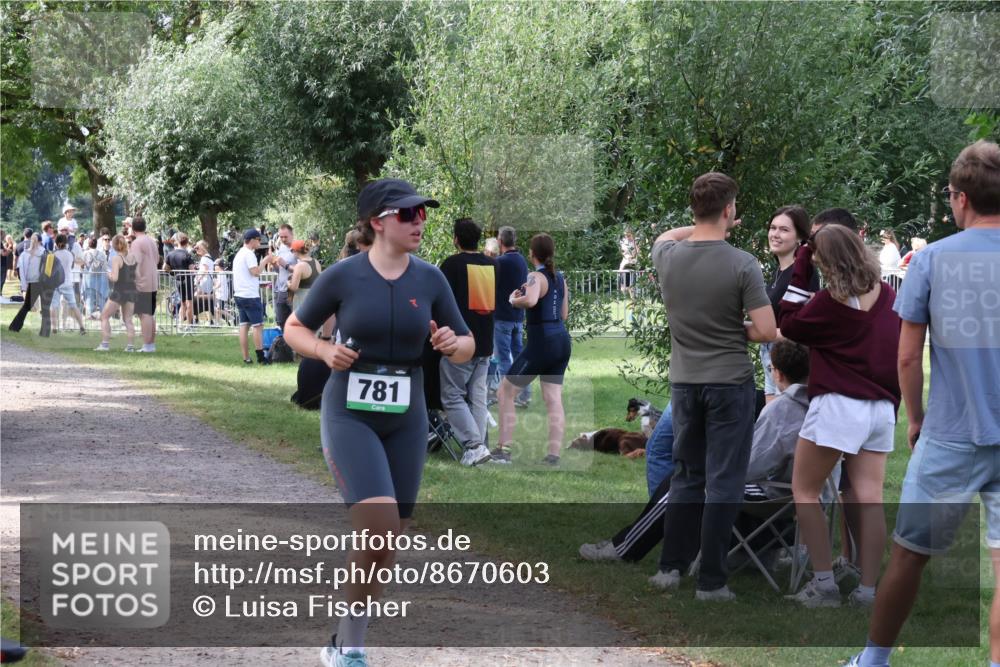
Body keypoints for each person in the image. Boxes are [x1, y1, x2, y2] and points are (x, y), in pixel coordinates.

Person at [282, 178, 473, 667]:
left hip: (407, 417)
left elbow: (469, 343)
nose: (420, 221)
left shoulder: (430, 278)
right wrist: (324, 349)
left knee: (390, 535)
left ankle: (344, 640)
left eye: (423, 213)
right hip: (350, 412)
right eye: (408, 213)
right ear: (378, 221)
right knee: (378, 525)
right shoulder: (345, 276)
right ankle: (351, 650)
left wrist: (453, 344)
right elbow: (294, 328)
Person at [845, 140, 1000, 667]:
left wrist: (915, 419)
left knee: (910, 555)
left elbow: (908, 357)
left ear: (959, 198)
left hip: (951, 432)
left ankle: (873, 660)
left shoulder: (932, 259)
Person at [649, 171, 775, 601]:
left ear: (694, 209)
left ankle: (670, 566)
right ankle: (712, 581)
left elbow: (668, 234)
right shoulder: (743, 264)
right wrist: (733, 327)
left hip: (684, 382)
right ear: (729, 210)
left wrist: (704, 223)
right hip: (729, 382)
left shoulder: (667, 255)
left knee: (686, 474)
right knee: (724, 481)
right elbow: (766, 329)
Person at [580, 340, 809, 563]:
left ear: (776, 373)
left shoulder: (782, 410)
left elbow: (749, 467)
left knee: (682, 481)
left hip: (775, 496)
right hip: (795, 494)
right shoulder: (815, 403)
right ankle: (633, 541)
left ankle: (624, 548)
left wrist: (717, 460)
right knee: (689, 477)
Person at [779, 223, 901, 608]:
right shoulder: (889, 296)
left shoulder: (829, 304)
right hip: (880, 409)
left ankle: (824, 584)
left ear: (823, 260)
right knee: (870, 498)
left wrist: (799, 266)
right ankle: (867, 591)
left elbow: (788, 321)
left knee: (805, 491)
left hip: (838, 405)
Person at [495, 233, 572, 465]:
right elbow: (564, 314)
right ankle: (553, 455)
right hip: (561, 341)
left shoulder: (534, 276)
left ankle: (503, 450)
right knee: (553, 398)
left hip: (542, 342)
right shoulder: (560, 278)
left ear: (531, 253)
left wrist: (512, 300)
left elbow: (529, 301)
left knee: (505, 392)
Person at [438, 218, 497, 466]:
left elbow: (438, 299)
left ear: (456, 239)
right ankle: (480, 445)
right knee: (478, 396)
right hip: (485, 341)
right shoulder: (492, 265)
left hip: (460, 342)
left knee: (451, 394)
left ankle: (474, 445)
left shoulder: (451, 265)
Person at [761, 205, 818, 403]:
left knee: (786, 428)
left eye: (784, 230)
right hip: (770, 358)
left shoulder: (804, 273)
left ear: (800, 237)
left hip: (791, 365)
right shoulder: (778, 271)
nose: (775, 234)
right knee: (771, 425)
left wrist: (751, 331)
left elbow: (803, 329)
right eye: (773, 228)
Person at [491, 225, 531, 408]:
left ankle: (508, 396)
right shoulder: (522, 261)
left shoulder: (500, 262)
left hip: (502, 317)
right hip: (517, 316)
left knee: (503, 359)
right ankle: (525, 395)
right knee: (519, 356)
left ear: (500, 241)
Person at [233, 229, 270, 364]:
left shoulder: (239, 254)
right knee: (258, 326)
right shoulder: (249, 254)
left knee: (244, 325)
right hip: (249, 296)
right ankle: (261, 358)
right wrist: (265, 261)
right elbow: (255, 272)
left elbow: (246, 275)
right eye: (259, 240)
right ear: (253, 240)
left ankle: (246, 358)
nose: (260, 242)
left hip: (240, 294)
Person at [94, 235, 137, 352]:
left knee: (104, 316)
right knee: (128, 319)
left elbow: (115, 278)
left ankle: (105, 344)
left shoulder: (117, 258)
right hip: (131, 289)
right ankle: (130, 347)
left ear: (114, 245)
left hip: (119, 291)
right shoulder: (133, 257)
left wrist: (108, 274)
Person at [128, 216, 159, 353]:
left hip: (143, 282)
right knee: (150, 314)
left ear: (133, 228)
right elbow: (157, 259)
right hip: (153, 280)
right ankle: (151, 344)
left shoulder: (136, 243)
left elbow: (136, 263)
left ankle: (147, 345)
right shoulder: (152, 241)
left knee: (144, 314)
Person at [7, 233, 49, 334]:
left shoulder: (25, 254)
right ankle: (44, 331)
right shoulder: (44, 252)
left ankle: (15, 327)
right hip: (42, 282)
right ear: (40, 241)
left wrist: (24, 284)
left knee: (26, 306)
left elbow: (22, 270)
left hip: (33, 282)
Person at [48, 234, 86, 335]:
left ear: (57, 243)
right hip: (68, 282)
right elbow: (72, 265)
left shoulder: (52, 254)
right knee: (74, 305)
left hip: (55, 283)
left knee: (54, 305)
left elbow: (47, 271)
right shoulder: (70, 254)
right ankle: (82, 326)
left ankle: (54, 327)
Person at [163, 232, 195, 328]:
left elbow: (165, 267)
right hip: (188, 279)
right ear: (186, 243)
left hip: (178, 280)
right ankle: (189, 325)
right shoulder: (187, 254)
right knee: (189, 303)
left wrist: (172, 272)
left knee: (182, 302)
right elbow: (192, 269)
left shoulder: (170, 254)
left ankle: (180, 323)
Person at [269, 223, 296, 330]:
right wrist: (274, 264)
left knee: (295, 321)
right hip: (281, 290)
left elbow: (303, 269)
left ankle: (297, 345)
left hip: (294, 291)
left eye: (285, 237)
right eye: (281, 237)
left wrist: (285, 265)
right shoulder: (281, 248)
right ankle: (286, 344)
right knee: (280, 320)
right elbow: (279, 271)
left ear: (292, 235)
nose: (283, 239)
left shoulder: (299, 248)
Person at [287, 239, 321, 312]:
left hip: (302, 301)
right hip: (316, 299)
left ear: (295, 251)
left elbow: (294, 287)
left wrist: (288, 283)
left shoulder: (299, 266)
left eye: (292, 251)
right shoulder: (316, 262)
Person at [82, 237, 109, 319]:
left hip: (88, 279)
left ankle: (90, 315)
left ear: (89, 244)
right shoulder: (101, 254)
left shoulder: (85, 253)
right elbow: (105, 267)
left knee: (89, 298)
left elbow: (82, 266)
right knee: (101, 297)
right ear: (96, 244)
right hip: (99, 278)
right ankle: (103, 314)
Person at [193, 240, 216, 324]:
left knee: (196, 299)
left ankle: (196, 318)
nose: (196, 250)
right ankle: (209, 319)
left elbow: (205, 271)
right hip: (206, 281)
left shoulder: (205, 258)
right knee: (205, 300)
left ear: (202, 248)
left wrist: (198, 280)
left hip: (204, 281)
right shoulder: (208, 257)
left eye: (197, 248)